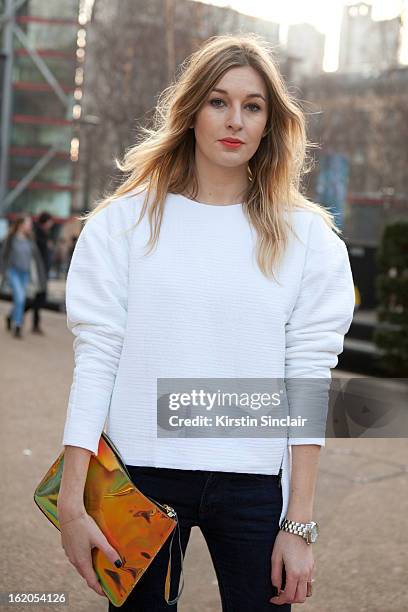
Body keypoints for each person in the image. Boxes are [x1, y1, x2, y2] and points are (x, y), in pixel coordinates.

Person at [57, 34, 355, 611]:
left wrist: (299, 525)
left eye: (253, 106)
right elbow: (96, 359)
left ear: (271, 122)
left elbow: (307, 378)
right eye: (218, 101)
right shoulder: (121, 226)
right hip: (138, 476)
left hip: (253, 487)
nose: (235, 120)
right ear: (191, 110)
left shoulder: (308, 239)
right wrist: (72, 504)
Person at [0, 214, 47, 339]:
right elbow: (3, 256)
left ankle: (10, 317)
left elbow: (35, 260)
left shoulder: (30, 240)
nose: (30, 226)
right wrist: (4, 272)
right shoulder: (11, 239)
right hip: (13, 272)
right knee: (20, 298)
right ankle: (18, 326)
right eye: (28, 223)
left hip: (26, 274)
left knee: (20, 300)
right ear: (21, 225)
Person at [23, 211, 54, 334]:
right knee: (39, 298)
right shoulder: (38, 235)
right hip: (39, 272)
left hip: (43, 271)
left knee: (38, 298)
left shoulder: (43, 234)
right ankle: (20, 316)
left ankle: (31, 322)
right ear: (46, 222)